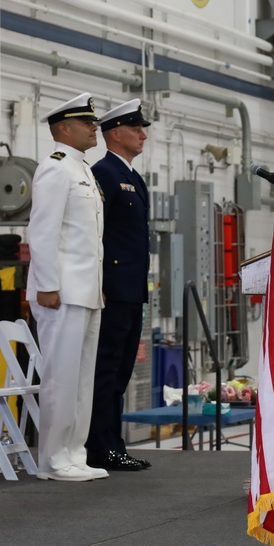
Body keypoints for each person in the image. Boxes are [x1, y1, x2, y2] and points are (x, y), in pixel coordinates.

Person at [27, 93, 108, 482]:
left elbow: (89, 238)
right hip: (60, 291)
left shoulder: (82, 169)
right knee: (60, 377)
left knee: (81, 378)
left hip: (86, 290)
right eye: (86, 121)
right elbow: (43, 231)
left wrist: (98, 285)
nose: (95, 127)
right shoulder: (56, 168)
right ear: (64, 128)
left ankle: (75, 452)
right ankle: (54, 458)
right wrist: (46, 284)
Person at [86, 99, 152, 472]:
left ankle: (112, 443)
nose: (143, 134)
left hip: (131, 288)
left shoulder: (130, 175)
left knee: (121, 370)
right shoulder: (105, 173)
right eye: (136, 128)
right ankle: (101, 445)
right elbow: (97, 235)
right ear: (116, 133)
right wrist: (101, 284)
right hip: (113, 288)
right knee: (106, 370)